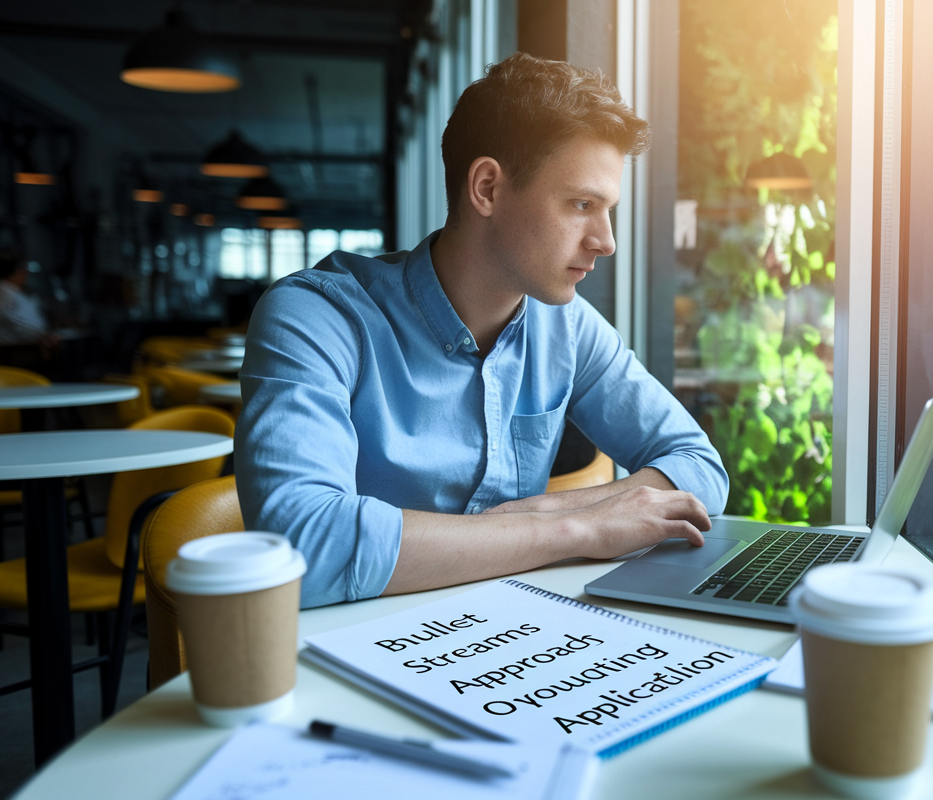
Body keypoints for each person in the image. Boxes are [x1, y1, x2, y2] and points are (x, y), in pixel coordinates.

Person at [237, 53, 728, 608]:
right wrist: (579, 527)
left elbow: (699, 466)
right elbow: (302, 545)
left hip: (503, 640)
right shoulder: (315, 317)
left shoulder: (567, 326)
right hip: (350, 648)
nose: (605, 241)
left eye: (607, 208)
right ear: (488, 188)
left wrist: (541, 509)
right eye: (582, 204)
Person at [0, 251, 55, 353]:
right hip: (6, 357)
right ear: (19, 271)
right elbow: (28, 328)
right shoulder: (3, 294)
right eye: (24, 270)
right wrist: (45, 335)